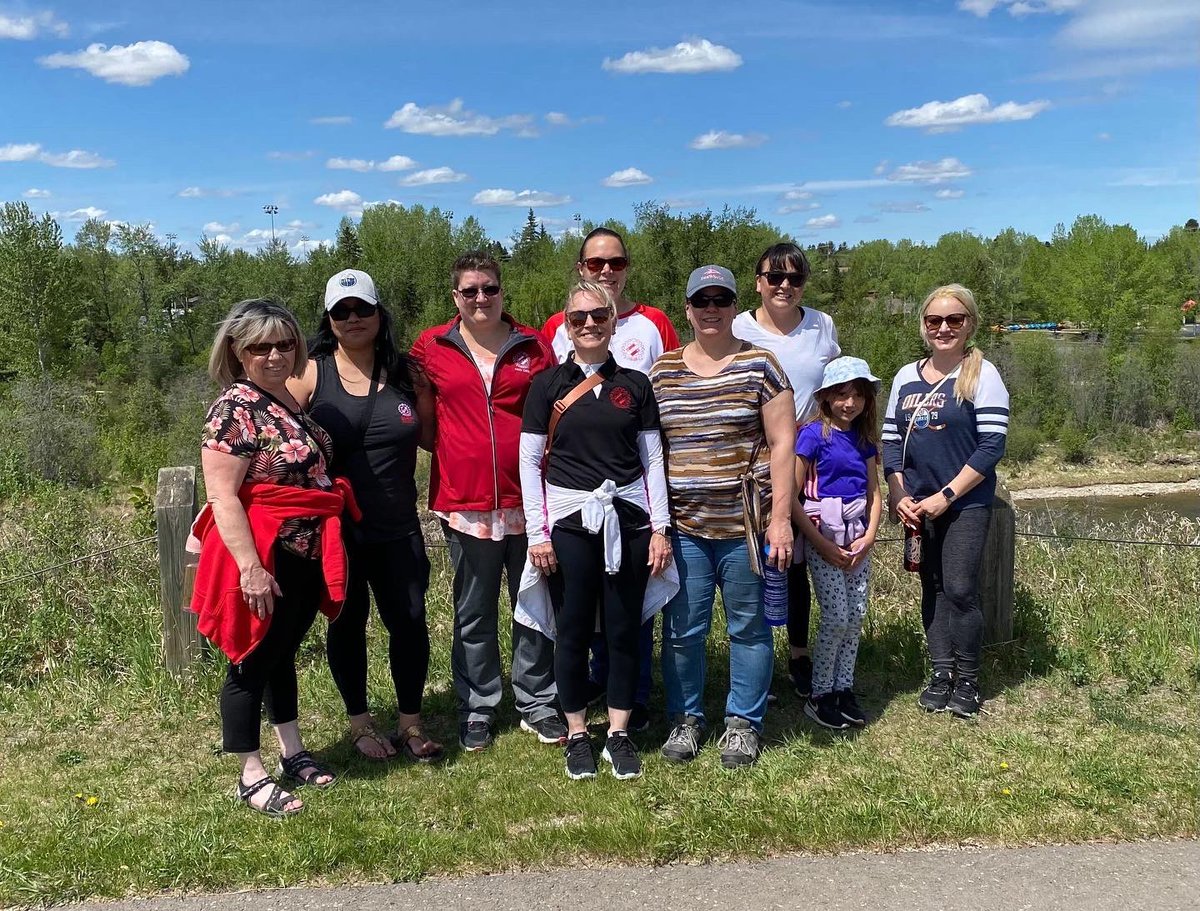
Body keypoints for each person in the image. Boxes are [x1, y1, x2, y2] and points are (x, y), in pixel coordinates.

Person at [191, 299, 354, 817]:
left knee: (282, 652)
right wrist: (251, 570)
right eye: (260, 347)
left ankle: (292, 750)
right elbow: (222, 497)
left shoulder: (283, 397)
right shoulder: (234, 410)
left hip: (302, 549)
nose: (275, 355)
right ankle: (250, 774)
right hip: (265, 554)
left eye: (285, 343)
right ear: (237, 351)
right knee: (252, 659)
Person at [516, 280, 676, 780]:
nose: (589, 324)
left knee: (625, 628)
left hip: (628, 520)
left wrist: (660, 527)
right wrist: (538, 534)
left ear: (612, 322)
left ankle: (619, 733)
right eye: (579, 317)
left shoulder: (636, 385)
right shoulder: (547, 385)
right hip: (568, 522)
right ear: (566, 325)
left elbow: (652, 460)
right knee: (574, 628)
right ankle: (578, 733)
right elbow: (529, 462)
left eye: (599, 316)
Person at [410, 251, 566, 751]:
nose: (481, 298)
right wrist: (456, 453)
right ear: (455, 296)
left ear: (502, 291)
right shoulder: (431, 346)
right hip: (465, 501)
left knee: (533, 603)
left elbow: (555, 414)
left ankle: (538, 701)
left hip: (529, 497)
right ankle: (477, 705)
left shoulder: (533, 345)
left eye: (490, 288)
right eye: (470, 290)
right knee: (473, 610)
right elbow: (422, 417)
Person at [288, 268, 442, 763]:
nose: (353, 318)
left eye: (362, 309)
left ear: (379, 314)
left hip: (398, 526)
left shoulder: (407, 374)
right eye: (341, 311)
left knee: (410, 622)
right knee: (347, 624)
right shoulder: (310, 373)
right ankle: (359, 723)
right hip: (337, 531)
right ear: (329, 319)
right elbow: (276, 434)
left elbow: (435, 437)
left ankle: (410, 721)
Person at [651, 265, 795, 769]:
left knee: (748, 628)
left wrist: (781, 520)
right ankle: (686, 718)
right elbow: (650, 449)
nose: (711, 309)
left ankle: (743, 723)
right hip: (684, 528)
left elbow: (783, 444)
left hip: (746, 528)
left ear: (735, 306)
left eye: (721, 300)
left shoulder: (762, 365)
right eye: (702, 301)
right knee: (682, 630)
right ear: (687, 308)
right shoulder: (662, 372)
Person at [541, 228, 681, 732]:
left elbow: (668, 393)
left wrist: (660, 519)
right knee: (579, 609)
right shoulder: (556, 327)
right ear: (580, 267)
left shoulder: (654, 323)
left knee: (627, 610)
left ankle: (633, 696)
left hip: (631, 489)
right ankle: (591, 690)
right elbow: (550, 410)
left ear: (627, 267)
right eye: (596, 263)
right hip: (574, 499)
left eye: (616, 262)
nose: (606, 271)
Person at [882, 284, 1010, 718]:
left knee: (959, 589)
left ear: (969, 324)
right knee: (931, 586)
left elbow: (991, 446)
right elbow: (891, 441)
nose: (943, 328)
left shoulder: (983, 374)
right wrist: (898, 492)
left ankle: (968, 679)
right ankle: (941, 673)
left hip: (964, 504)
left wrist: (947, 495)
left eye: (954, 319)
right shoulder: (905, 376)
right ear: (923, 325)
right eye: (934, 320)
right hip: (917, 505)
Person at [733, 242, 840, 699]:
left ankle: (798, 654)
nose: (784, 286)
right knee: (756, 558)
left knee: (795, 560)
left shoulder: (822, 325)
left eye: (794, 278)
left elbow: (836, 387)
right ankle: (753, 657)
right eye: (774, 277)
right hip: (752, 456)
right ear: (757, 282)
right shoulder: (737, 326)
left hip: (808, 455)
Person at [792, 357, 883, 730]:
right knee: (836, 617)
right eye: (842, 395)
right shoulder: (813, 435)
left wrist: (869, 536)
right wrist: (821, 544)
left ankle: (843, 688)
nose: (850, 403)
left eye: (858, 395)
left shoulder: (864, 439)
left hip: (857, 535)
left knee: (856, 614)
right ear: (826, 397)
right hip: (824, 534)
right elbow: (793, 497)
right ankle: (820, 694)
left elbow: (874, 493)